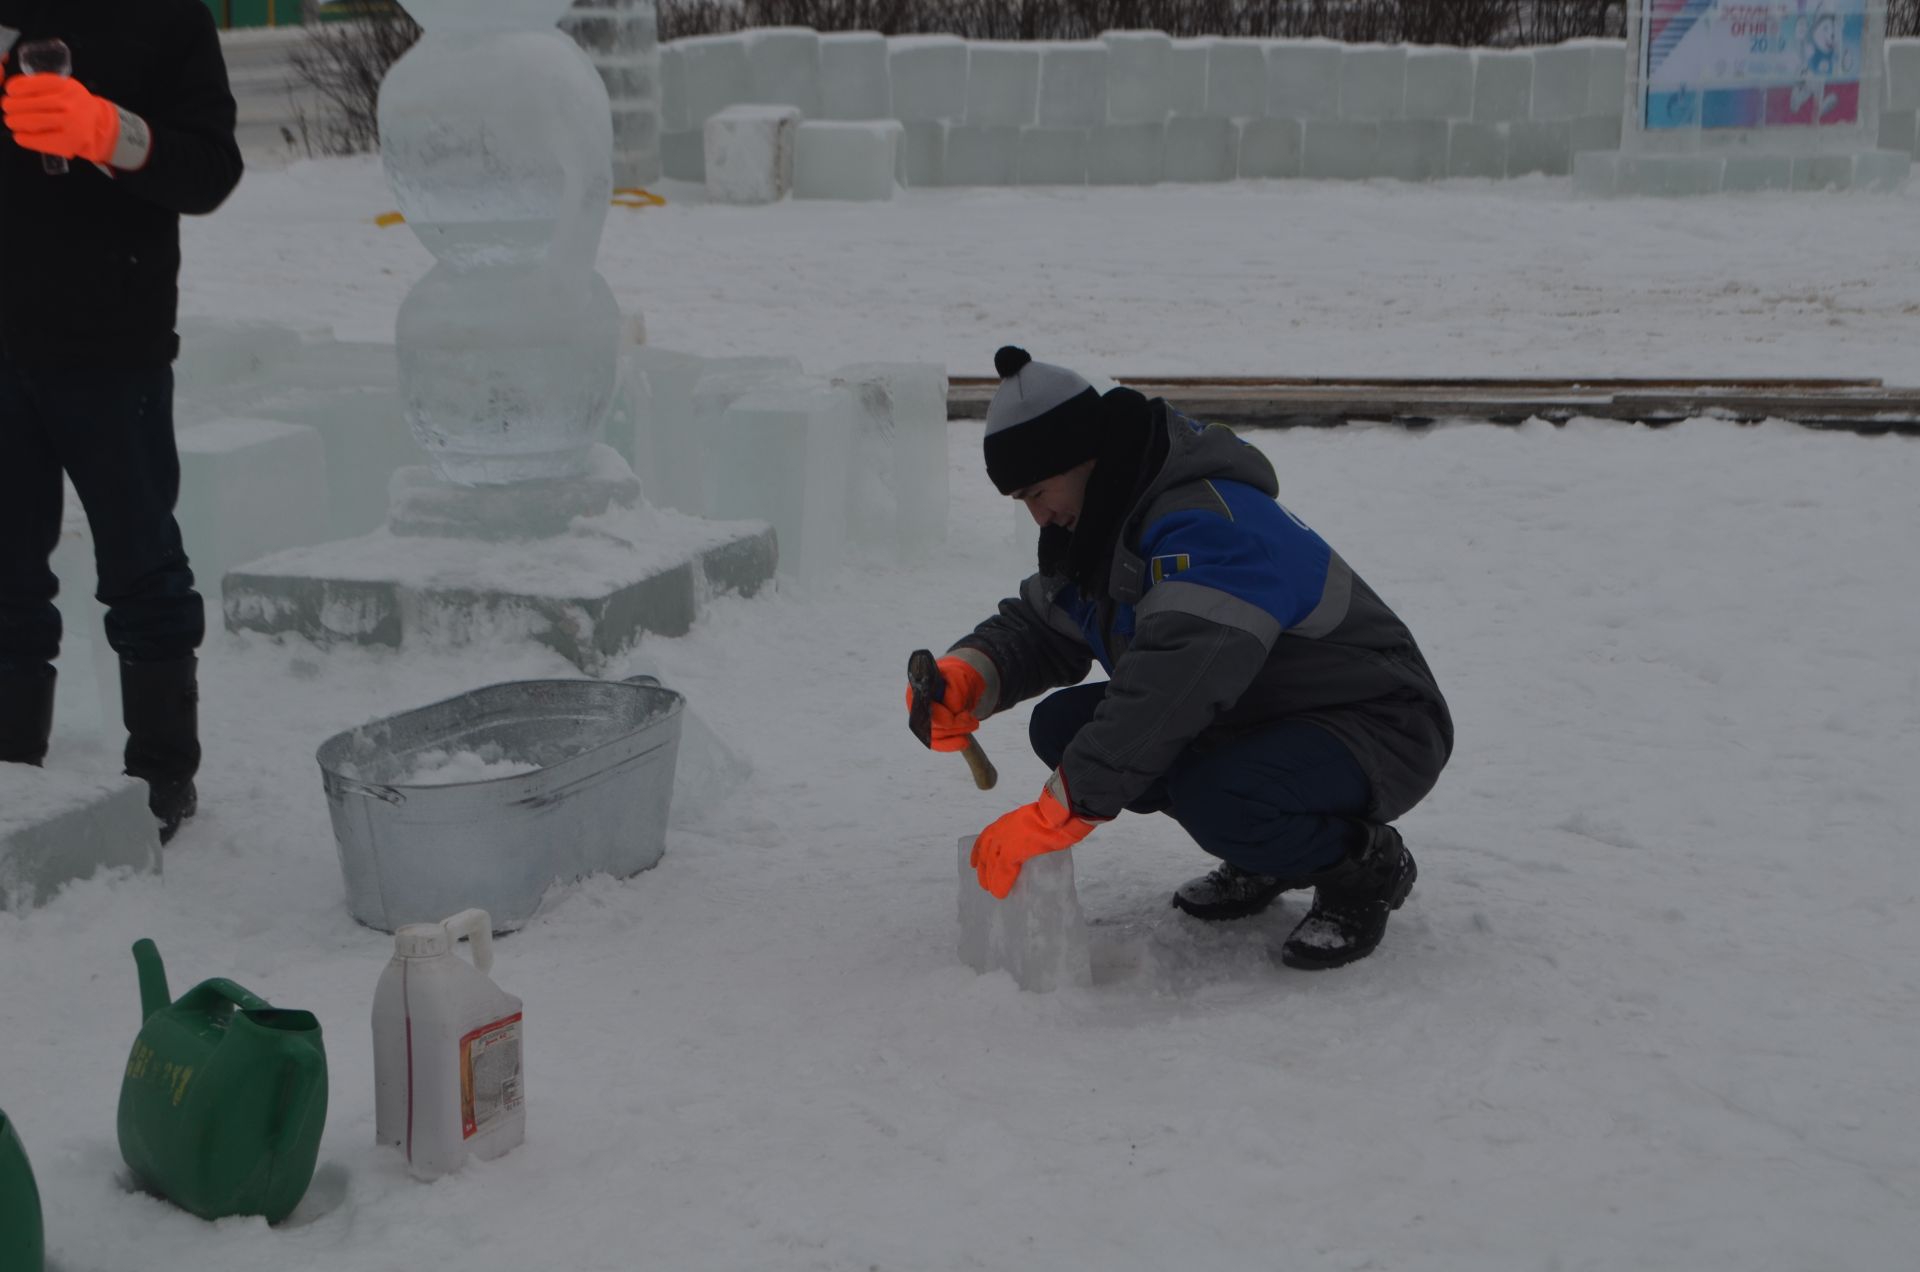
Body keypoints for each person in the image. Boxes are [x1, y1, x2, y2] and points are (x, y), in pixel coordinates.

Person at [910, 348, 1453, 969]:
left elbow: (1168, 692)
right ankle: (1266, 852)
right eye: (1021, 501)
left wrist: (1058, 810)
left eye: (1039, 491)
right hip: (1268, 709)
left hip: (1378, 724)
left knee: (1214, 793)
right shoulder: (1104, 520)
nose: (1038, 515)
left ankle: (1363, 867)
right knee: (1064, 728)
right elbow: (1043, 623)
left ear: (1085, 455)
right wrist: (970, 674)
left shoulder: (1207, 526)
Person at [0, 0, 243, 842]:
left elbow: (211, 168)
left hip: (113, 343)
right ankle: (10, 764)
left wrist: (113, 135)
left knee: (141, 563)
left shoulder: (166, 17)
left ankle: (162, 779)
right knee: (5, 570)